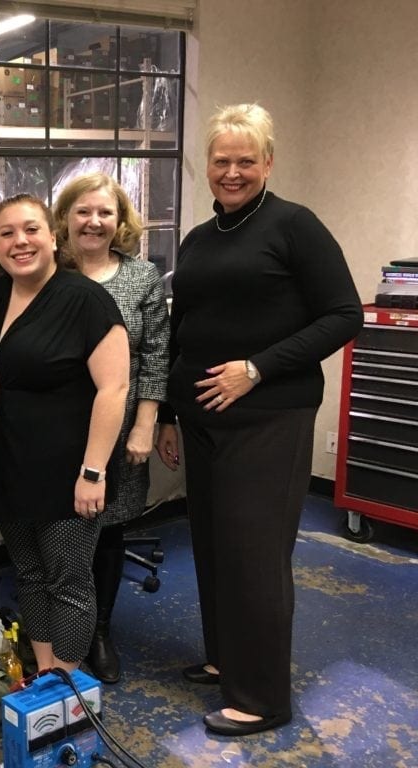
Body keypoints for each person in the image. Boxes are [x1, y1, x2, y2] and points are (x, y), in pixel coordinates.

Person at [155, 103, 362, 736]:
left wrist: (258, 368)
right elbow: (180, 328)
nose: (234, 171)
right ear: (208, 167)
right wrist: (166, 409)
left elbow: (343, 315)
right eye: (222, 161)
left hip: (270, 414)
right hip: (201, 417)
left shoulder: (294, 226)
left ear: (268, 162)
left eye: (247, 160)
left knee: (254, 555)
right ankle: (226, 661)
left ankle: (264, 698)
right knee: (215, 550)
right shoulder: (197, 238)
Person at [0, 193, 129, 675]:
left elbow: (114, 388)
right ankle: (45, 674)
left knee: (67, 580)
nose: (19, 242)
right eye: (7, 233)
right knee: (28, 574)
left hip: (70, 471)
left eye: (30, 230)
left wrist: (93, 471)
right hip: (10, 467)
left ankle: (67, 683)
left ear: (51, 237)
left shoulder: (85, 299)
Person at [53, 172, 169, 683]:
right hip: (54, 431)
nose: (93, 222)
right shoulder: (46, 270)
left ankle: (98, 630)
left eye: (105, 212)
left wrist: (145, 424)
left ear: (120, 221)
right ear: (65, 219)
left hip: (119, 434)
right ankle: (58, 623)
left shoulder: (141, 279)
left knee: (105, 529)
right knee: (58, 528)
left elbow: (155, 358)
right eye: (83, 211)